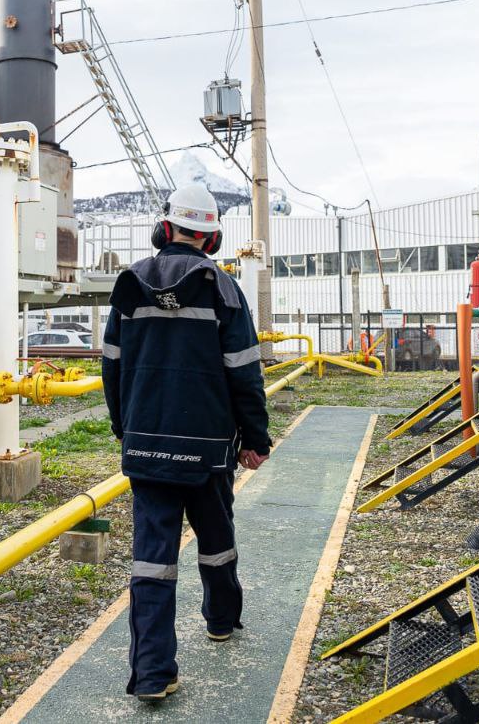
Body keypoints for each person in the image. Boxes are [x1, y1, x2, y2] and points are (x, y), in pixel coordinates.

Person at [101, 183, 272, 703]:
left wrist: (123, 428)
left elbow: (112, 365)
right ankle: (221, 619)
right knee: (217, 541)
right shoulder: (222, 289)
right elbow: (245, 373)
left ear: (164, 228)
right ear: (212, 238)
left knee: (151, 561)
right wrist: (256, 438)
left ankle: (153, 673)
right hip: (208, 450)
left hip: (147, 447)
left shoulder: (129, 285)